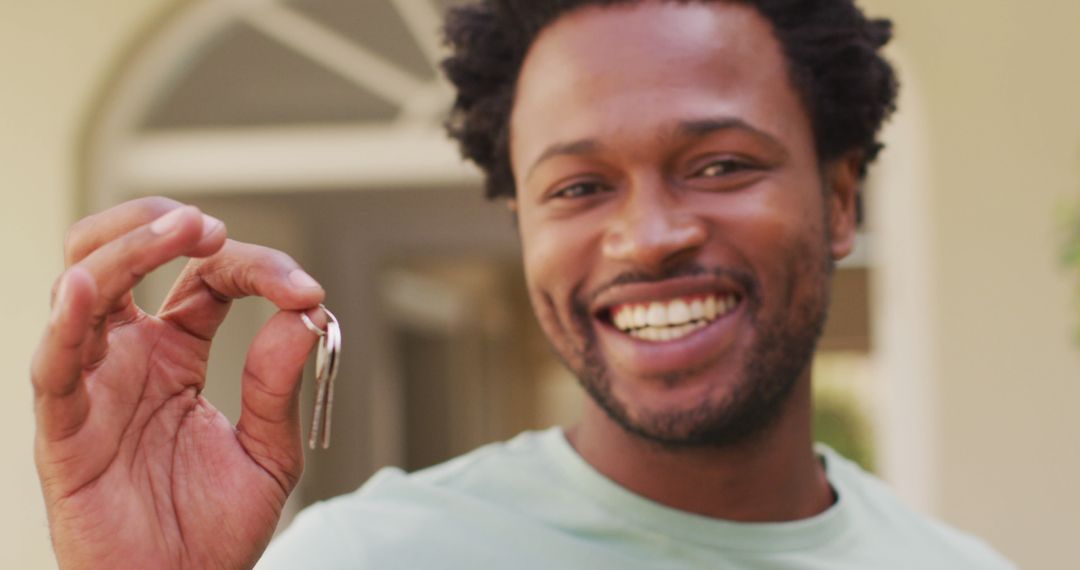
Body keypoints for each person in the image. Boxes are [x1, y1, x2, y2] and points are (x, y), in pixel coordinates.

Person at [31, 0, 1015, 568]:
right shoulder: (370, 561)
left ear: (841, 200)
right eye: (580, 186)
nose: (649, 237)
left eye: (720, 165)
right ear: (525, 226)